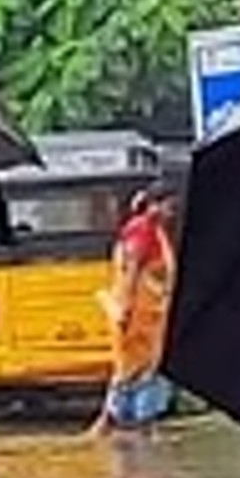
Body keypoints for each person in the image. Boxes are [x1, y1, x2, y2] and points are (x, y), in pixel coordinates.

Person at [90, 182, 182, 437]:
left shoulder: (153, 230)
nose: (172, 212)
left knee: (134, 371)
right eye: (168, 207)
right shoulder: (141, 231)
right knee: (136, 373)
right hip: (138, 316)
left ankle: (123, 427)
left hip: (151, 317)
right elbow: (131, 271)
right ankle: (137, 428)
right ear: (154, 205)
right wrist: (126, 309)